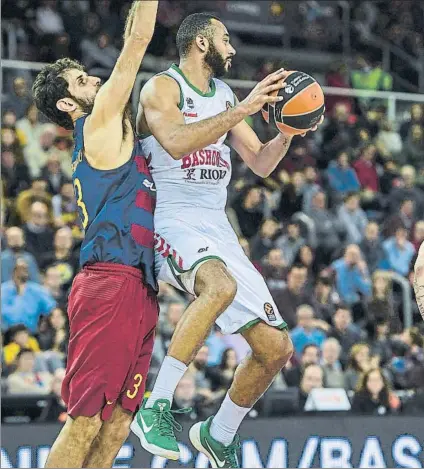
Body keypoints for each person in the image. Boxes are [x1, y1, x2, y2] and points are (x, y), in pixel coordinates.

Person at [133, 12, 322, 467]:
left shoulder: (222, 94)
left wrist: (286, 132)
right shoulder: (162, 88)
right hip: (171, 219)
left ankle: (218, 434)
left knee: (277, 348)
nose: (232, 48)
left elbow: (259, 162)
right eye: (225, 38)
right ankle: (156, 404)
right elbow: (176, 142)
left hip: (216, 225)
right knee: (220, 287)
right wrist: (242, 109)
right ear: (201, 43)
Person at [31, 2, 159, 468]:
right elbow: (138, 40)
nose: (96, 81)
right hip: (109, 282)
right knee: (86, 419)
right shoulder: (100, 123)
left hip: (138, 284)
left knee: (120, 418)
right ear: (68, 103)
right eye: (83, 81)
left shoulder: (115, 128)